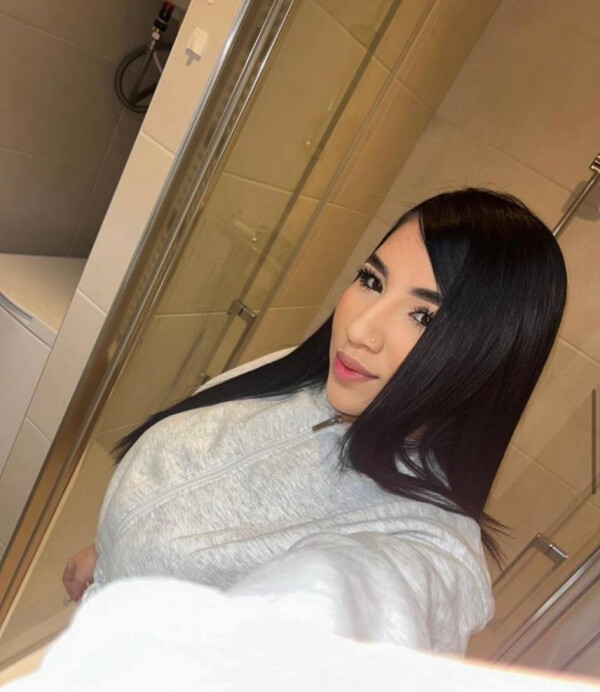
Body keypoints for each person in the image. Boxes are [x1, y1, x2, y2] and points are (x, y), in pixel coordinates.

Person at [62, 188, 567, 655]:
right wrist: (111, 555)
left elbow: (377, 610)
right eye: (372, 281)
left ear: (487, 357)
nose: (361, 329)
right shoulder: (297, 373)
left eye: (423, 317)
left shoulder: (423, 541)